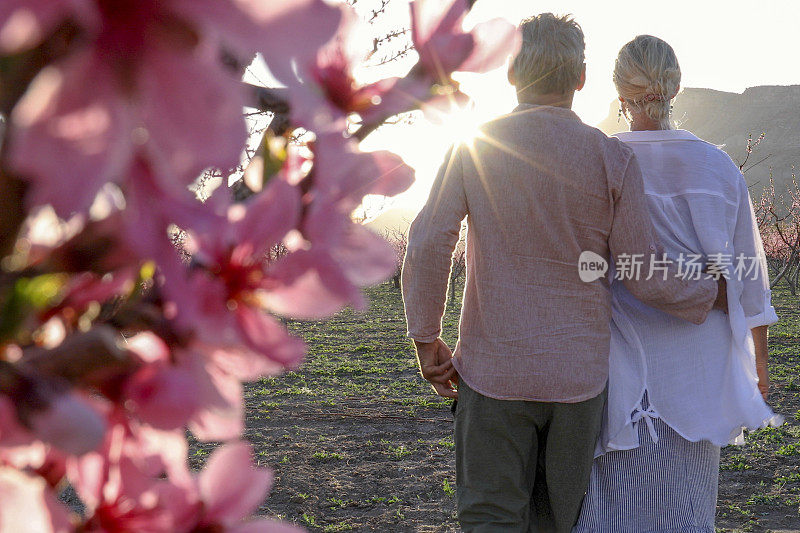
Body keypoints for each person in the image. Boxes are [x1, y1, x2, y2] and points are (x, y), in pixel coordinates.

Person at [401, 15, 726, 533]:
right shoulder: (612, 158)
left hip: (492, 372)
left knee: (490, 516)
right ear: (580, 78)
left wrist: (425, 337)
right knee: (558, 522)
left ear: (510, 73)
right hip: (578, 385)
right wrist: (714, 293)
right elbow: (646, 275)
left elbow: (427, 240)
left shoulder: (474, 146)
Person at [573, 35, 779, 532]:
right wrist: (759, 368)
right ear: (676, 87)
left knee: (610, 506)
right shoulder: (717, 166)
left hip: (616, 361)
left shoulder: (600, 160)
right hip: (699, 364)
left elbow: (583, 265)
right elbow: (748, 282)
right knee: (685, 507)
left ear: (619, 92)